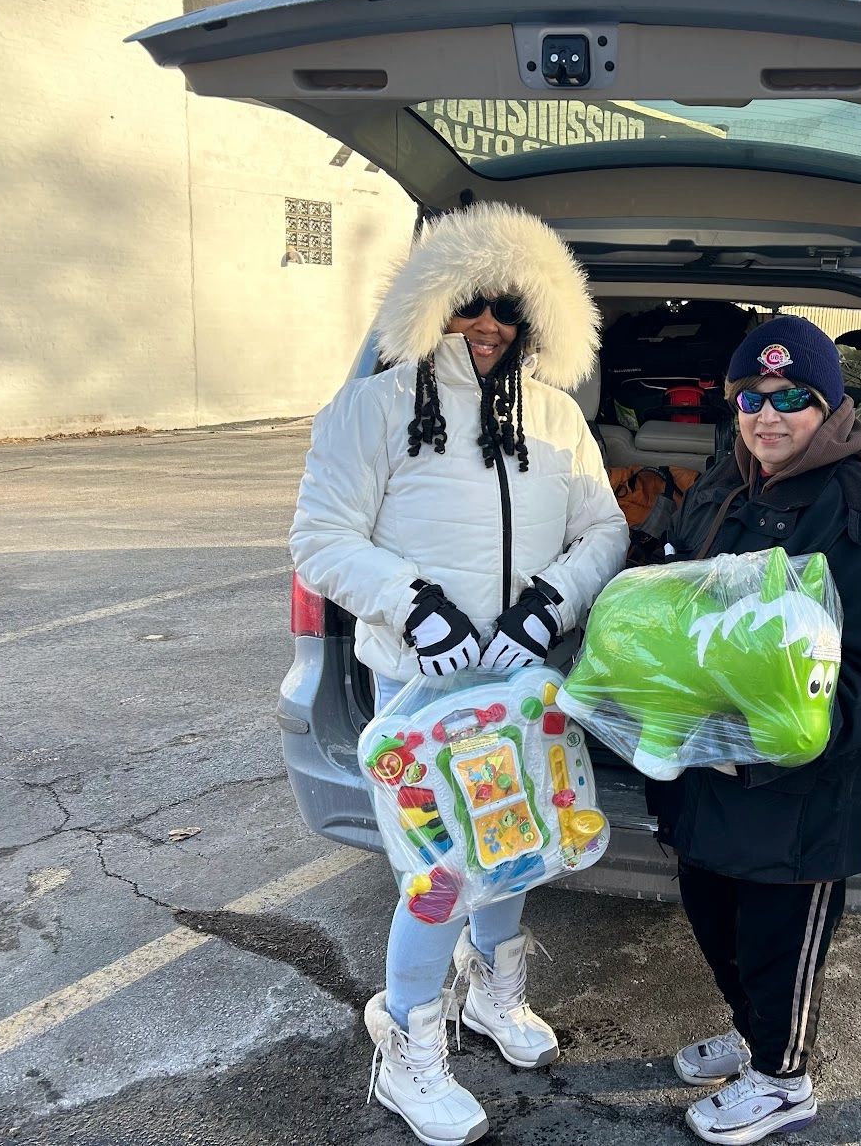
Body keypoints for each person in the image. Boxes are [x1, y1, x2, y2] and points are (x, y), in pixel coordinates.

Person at [289, 202, 628, 1146]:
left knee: (514, 841)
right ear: (433, 303)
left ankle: (492, 990)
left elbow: (604, 530)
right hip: (419, 691)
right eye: (469, 303)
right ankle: (406, 1039)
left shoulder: (556, 416)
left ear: (537, 318)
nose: (487, 324)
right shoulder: (371, 409)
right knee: (436, 872)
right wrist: (415, 604)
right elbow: (320, 539)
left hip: (518, 686)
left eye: (508, 308)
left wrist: (549, 603)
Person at [647, 316, 861, 1145]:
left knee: (776, 942)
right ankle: (751, 1031)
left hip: (794, 789)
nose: (769, 415)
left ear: (828, 408)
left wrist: (771, 747)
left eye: (792, 397)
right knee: (712, 916)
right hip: (704, 768)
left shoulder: (854, 507)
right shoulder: (720, 486)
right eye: (752, 398)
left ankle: (782, 1076)